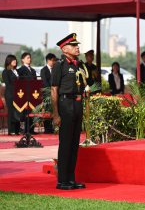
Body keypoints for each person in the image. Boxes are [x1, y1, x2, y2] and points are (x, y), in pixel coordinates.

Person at [51, 33, 87, 190]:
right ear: (64, 48)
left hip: (77, 104)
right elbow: (54, 90)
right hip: (65, 104)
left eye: (77, 45)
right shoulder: (59, 65)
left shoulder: (77, 65)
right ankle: (62, 180)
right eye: (73, 45)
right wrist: (56, 114)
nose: (77, 47)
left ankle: (71, 179)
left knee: (74, 144)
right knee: (65, 144)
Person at [17, 52, 37, 134]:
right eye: (28, 58)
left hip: (33, 93)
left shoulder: (33, 70)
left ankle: (31, 129)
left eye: (30, 58)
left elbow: (35, 81)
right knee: (25, 112)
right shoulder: (20, 70)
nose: (30, 59)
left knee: (32, 111)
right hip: (24, 93)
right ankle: (26, 130)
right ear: (23, 60)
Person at [2, 55, 21, 135]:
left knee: (18, 111)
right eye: (13, 60)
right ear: (8, 61)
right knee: (11, 111)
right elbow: (8, 84)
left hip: (19, 94)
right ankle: (11, 130)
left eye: (15, 60)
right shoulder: (5, 71)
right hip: (10, 94)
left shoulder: (17, 71)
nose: (15, 61)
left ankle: (17, 130)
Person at [40, 53, 57, 134]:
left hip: (55, 93)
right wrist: (51, 90)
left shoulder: (55, 69)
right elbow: (45, 82)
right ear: (49, 60)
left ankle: (53, 127)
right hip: (47, 94)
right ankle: (47, 128)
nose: (54, 62)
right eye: (53, 60)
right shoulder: (43, 70)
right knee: (47, 110)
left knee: (54, 110)